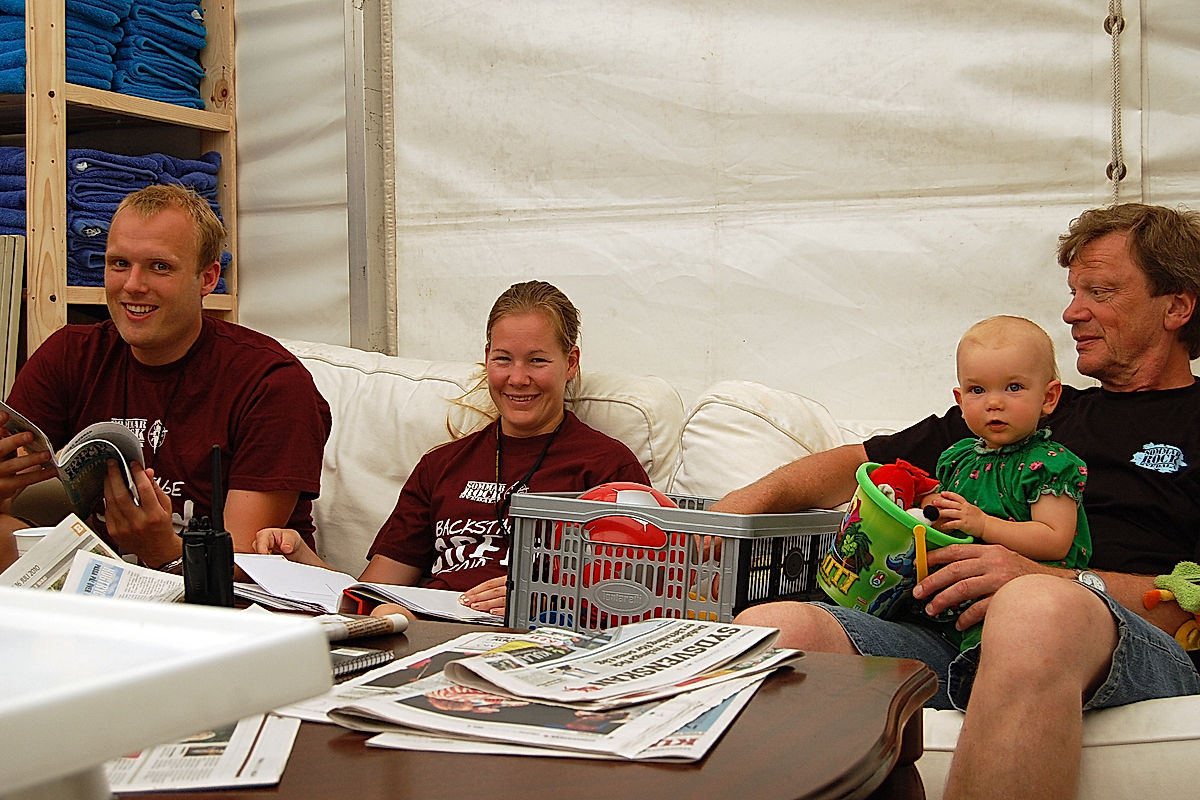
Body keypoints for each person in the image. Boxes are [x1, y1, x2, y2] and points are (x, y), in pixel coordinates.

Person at [714, 203, 1200, 800]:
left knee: (1035, 606)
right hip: (956, 640)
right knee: (774, 628)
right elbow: (855, 462)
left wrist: (1053, 578)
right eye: (1073, 292)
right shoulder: (1021, 409)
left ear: (1177, 306)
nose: (1074, 312)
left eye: (1100, 291)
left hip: (1132, 647)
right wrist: (723, 512)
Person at [257, 280, 650, 616]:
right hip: (429, 627)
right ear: (486, 360)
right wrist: (301, 560)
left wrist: (537, 594)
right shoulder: (441, 465)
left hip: (530, 636)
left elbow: (636, 594)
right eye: (503, 359)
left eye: (537, 360)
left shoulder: (606, 467)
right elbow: (375, 591)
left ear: (571, 362)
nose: (517, 378)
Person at [0, 184, 332, 571]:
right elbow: (15, 488)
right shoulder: (69, 354)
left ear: (208, 278)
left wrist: (162, 550)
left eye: (160, 266)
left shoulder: (271, 382)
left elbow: (246, 563)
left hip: (229, 600)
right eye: (119, 264)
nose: (133, 285)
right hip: (101, 585)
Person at [913, 315, 1091, 658]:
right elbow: (950, 521)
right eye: (977, 390)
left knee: (1004, 655)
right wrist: (931, 506)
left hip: (1027, 607)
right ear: (960, 399)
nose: (994, 403)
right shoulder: (958, 458)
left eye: (1013, 387)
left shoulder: (1049, 464)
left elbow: (1055, 540)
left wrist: (981, 524)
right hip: (954, 603)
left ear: (1049, 397)